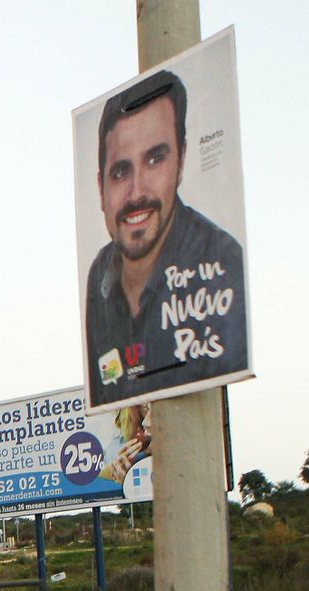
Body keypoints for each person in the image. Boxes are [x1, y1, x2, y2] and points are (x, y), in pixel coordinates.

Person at [85, 69, 246, 407]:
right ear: (101, 187)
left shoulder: (222, 260)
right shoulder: (99, 274)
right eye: (120, 171)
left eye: (155, 159)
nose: (136, 192)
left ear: (181, 161)